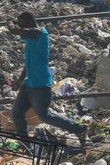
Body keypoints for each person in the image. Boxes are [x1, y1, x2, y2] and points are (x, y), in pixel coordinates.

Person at [7, 11, 87, 147]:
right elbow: (28, 63)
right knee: (17, 112)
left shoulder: (39, 34)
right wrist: (20, 81)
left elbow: (14, 30)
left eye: (22, 24)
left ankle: (79, 129)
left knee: (44, 116)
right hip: (29, 84)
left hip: (41, 85)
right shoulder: (30, 38)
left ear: (30, 23)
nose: (22, 28)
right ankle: (25, 145)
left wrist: (10, 22)